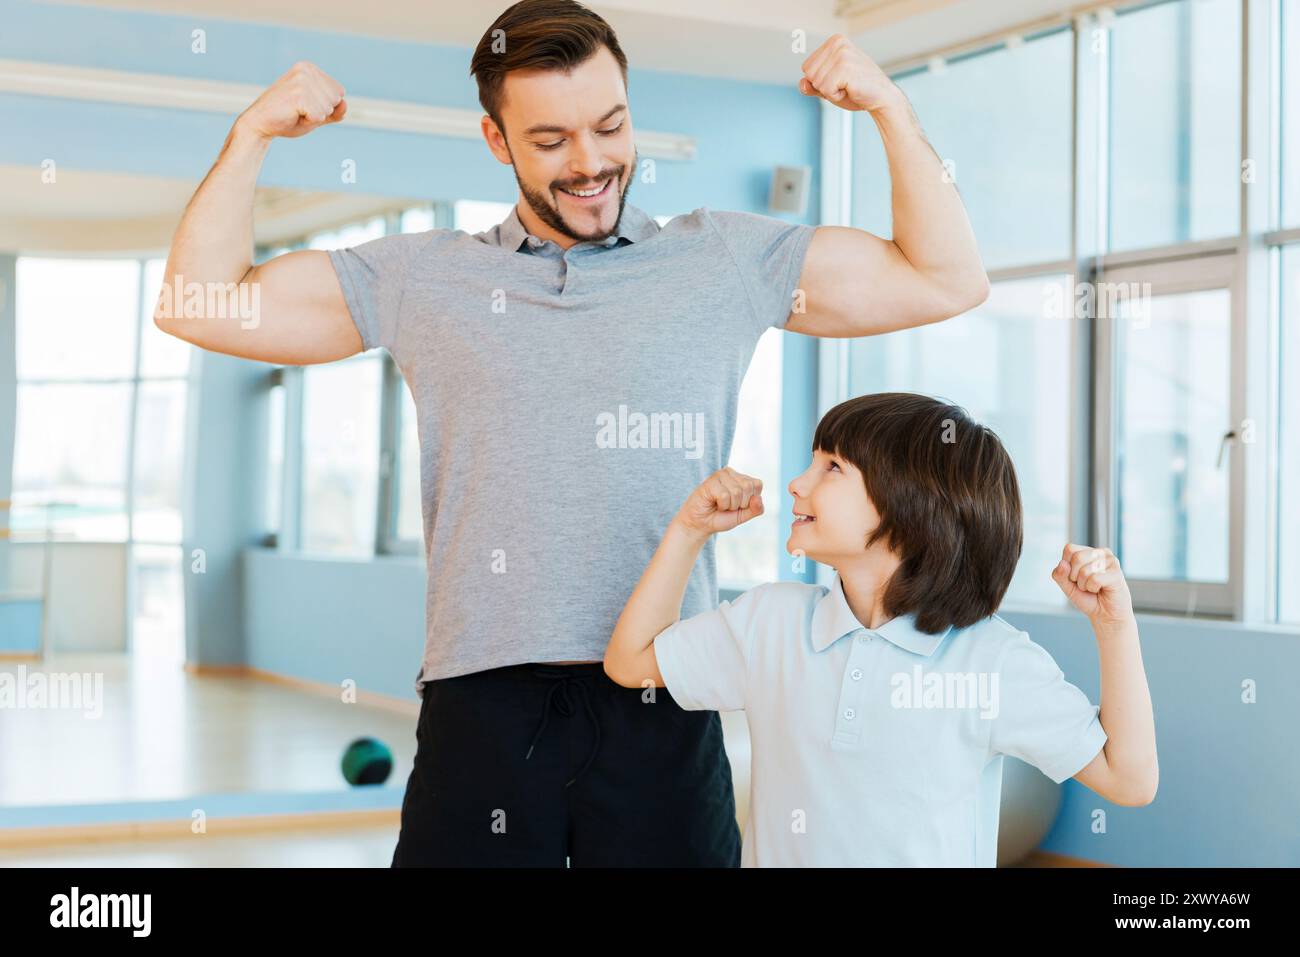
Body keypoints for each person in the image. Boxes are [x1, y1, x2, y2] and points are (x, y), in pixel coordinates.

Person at [155, 0, 990, 866]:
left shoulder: (724, 262)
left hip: (665, 689)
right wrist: (251, 133)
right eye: (551, 140)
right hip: (482, 701)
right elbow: (198, 307)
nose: (591, 163)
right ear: (497, 141)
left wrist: (890, 107)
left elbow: (944, 278)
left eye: (611, 125)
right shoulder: (424, 276)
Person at [606, 393, 1159, 866]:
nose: (798, 484)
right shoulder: (769, 623)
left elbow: (1129, 781)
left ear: (910, 508)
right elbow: (630, 663)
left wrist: (1115, 626)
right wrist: (687, 532)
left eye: (832, 468)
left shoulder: (991, 660)